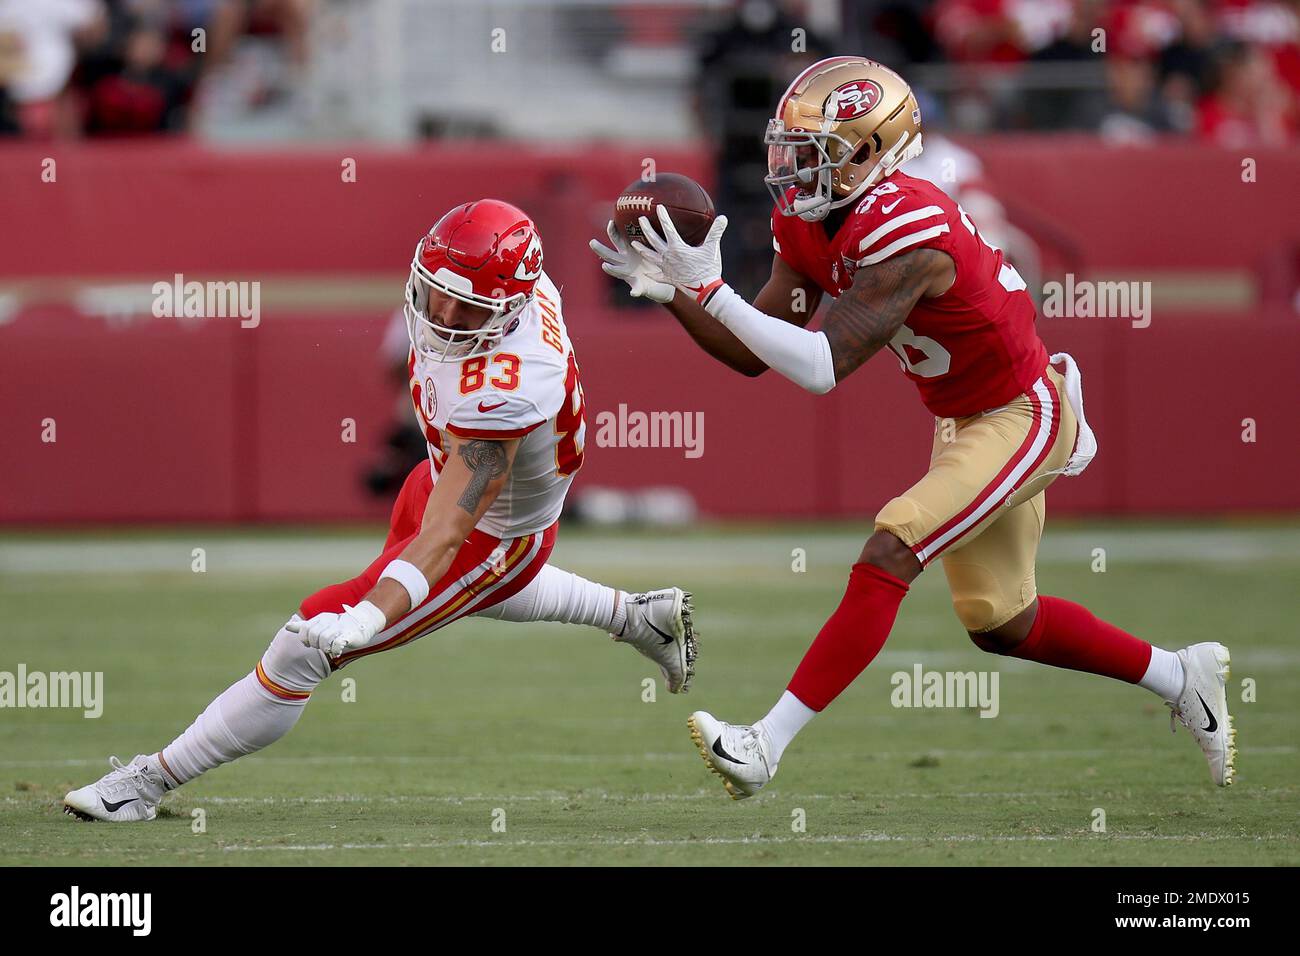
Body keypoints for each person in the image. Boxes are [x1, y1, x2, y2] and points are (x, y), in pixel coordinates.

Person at [592, 57, 1233, 798]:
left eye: (816, 151)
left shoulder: (908, 227)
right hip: (965, 419)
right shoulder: (810, 219)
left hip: (1022, 413)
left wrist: (710, 289)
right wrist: (681, 296)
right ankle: (1181, 675)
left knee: (893, 546)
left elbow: (821, 366)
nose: (794, 168)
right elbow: (756, 352)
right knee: (1003, 622)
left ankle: (763, 745)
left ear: (875, 149)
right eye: (788, 148)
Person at [65, 199, 698, 822]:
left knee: (309, 641)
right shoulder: (514, 290)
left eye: (467, 307)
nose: (444, 315)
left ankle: (147, 784)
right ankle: (639, 617)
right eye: (437, 294)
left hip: (492, 533)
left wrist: (366, 619)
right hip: (441, 477)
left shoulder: (508, 388)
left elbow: (448, 537)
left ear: (508, 309)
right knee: (451, 591)